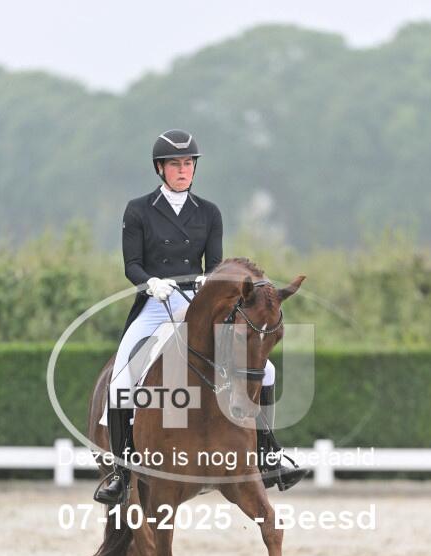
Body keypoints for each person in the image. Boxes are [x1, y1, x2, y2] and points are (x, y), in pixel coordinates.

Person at [94, 129, 305, 504]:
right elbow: (132, 265)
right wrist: (150, 283)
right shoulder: (138, 210)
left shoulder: (208, 212)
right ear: (160, 168)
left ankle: (268, 453)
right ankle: (122, 474)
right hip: (155, 304)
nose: (183, 170)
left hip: (197, 305)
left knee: (268, 371)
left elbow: (215, 265)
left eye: (188, 163)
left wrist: (210, 283)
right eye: (175, 164)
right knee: (121, 381)